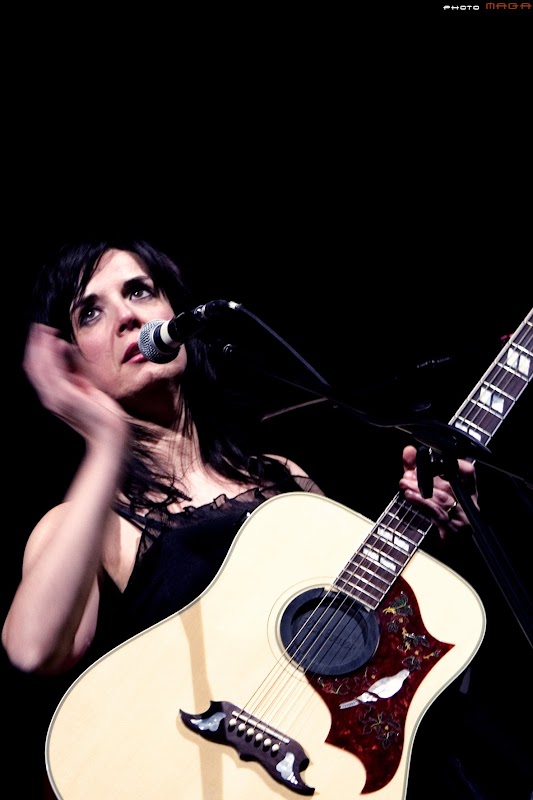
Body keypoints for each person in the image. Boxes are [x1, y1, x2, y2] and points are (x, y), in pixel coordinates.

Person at [0, 238, 521, 799]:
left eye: (140, 291)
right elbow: (33, 649)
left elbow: (378, 641)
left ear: (177, 316)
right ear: (71, 365)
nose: (127, 316)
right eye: (91, 312)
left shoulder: (283, 476)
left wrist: (444, 535)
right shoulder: (85, 523)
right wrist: (106, 441)